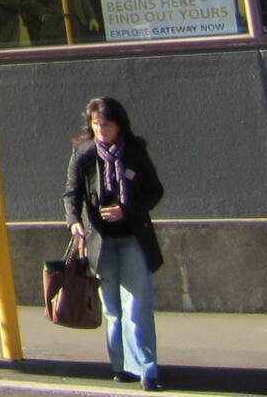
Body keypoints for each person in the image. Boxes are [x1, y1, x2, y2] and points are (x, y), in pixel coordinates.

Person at [64, 96, 166, 391]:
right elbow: (71, 194)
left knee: (137, 305)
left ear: (119, 125)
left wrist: (127, 209)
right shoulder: (83, 154)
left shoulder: (135, 152)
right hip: (101, 240)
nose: (101, 130)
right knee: (112, 308)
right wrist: (74, 223)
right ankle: (120, 366)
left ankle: (146, 369)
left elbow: (154, 191)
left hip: (132, 236)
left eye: (106, 125)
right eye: (96, 125)